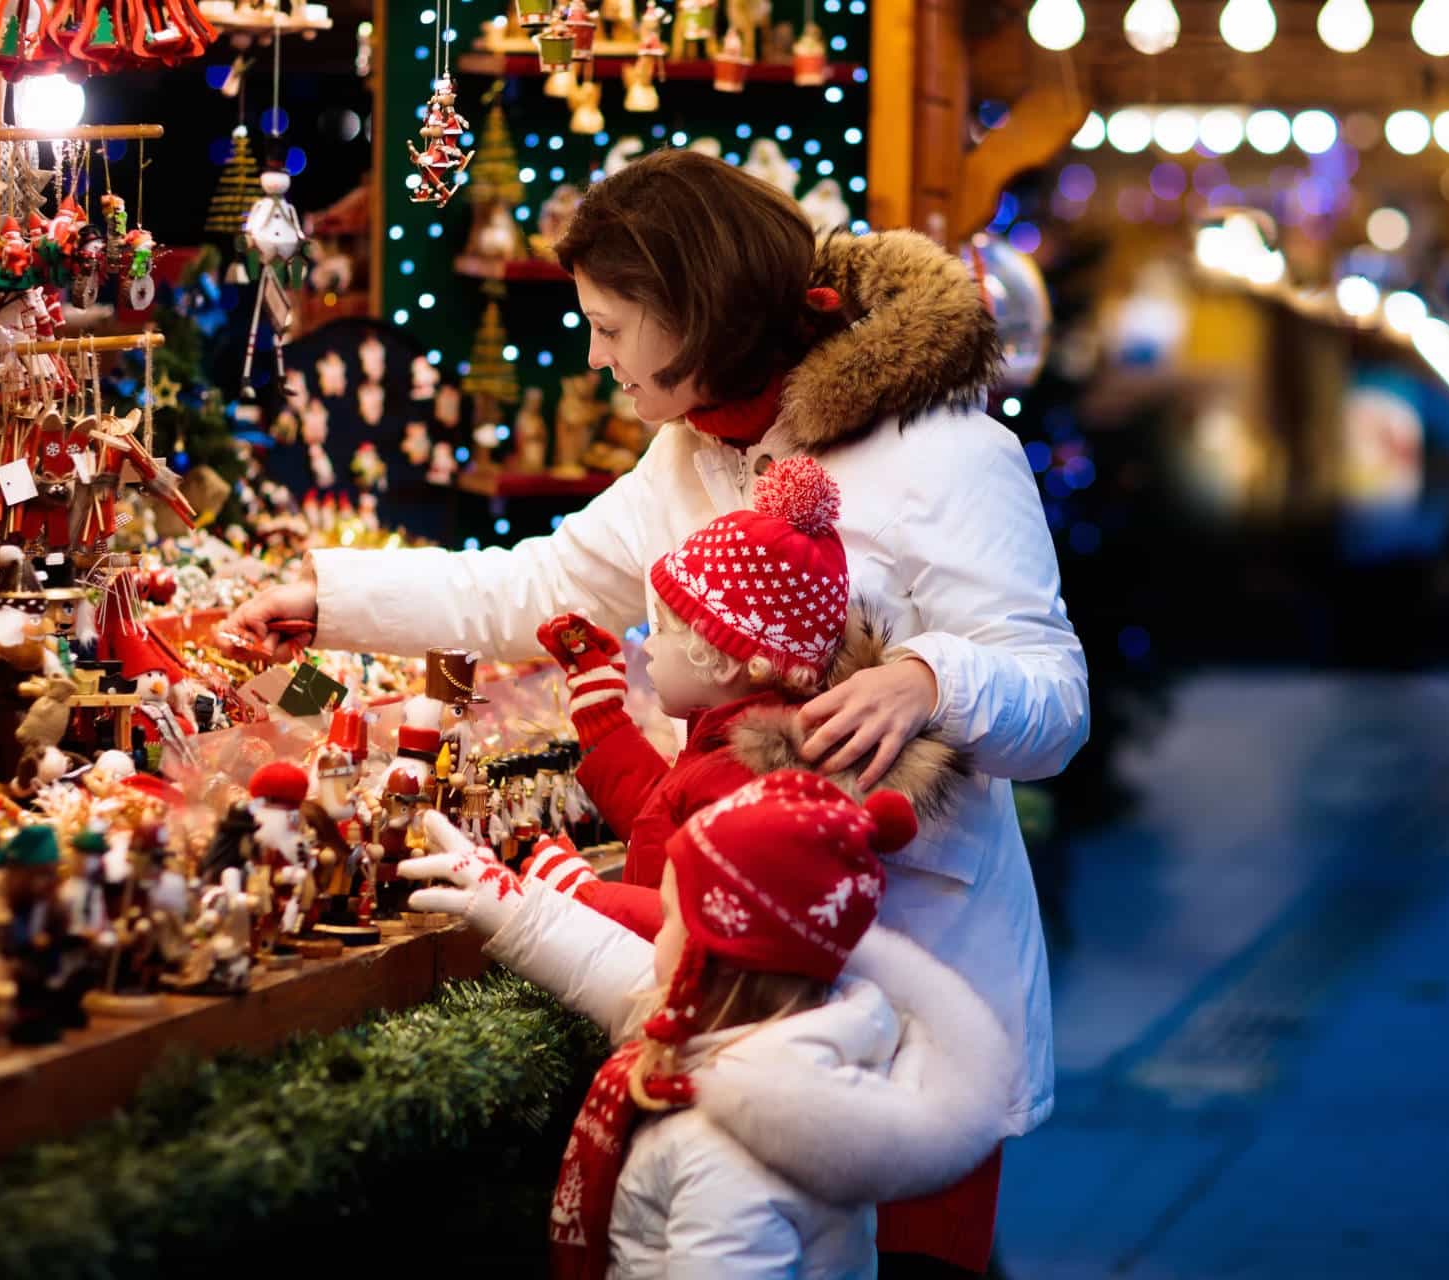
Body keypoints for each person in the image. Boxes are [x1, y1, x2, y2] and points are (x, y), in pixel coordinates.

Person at [232, 148, 1089, 1273]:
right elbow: (533, 588)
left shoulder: (950, 453)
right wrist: (327, 598)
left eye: (611, 325)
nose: (594, 358)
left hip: (910, 989)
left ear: (699, 312)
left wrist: (931, 677)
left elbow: (1056, 700)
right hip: (728, 980)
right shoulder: (683, 456)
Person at [399, 772, 1016, 1279]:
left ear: (714, 958)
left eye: (670, 917)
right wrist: (518, 907)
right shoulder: (780, 1037)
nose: (657, 932)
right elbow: (620, 972)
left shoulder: (729, 1152)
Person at [525, 454, 968, 940]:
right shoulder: (730, 748)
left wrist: (582, 898)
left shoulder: (744, 783)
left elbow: (698, 925)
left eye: (666, 629)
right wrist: (604, 720)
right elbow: (664, 820)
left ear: (727, 657)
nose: (647, 644)